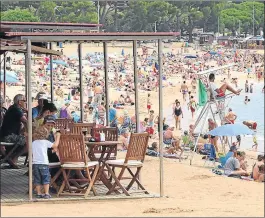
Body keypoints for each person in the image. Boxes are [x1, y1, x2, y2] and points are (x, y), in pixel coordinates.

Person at [32, 122, 61, 199]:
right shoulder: (45, 142)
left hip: (35, 163)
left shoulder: (34, 142)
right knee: (46, 178)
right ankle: (46, 193)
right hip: (44, 163)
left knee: (37, 179)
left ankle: (38, 193)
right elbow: (55, 145)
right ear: (46, 135)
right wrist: (58, 137)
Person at [0, 94, 28, 168]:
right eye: (24, 101)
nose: (26, 102)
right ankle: (14, 158)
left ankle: (11, 157)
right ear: (19, 102)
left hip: (6, 134)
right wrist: (28, 112)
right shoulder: (16, 109)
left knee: (25, 138)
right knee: (29, 141)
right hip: (8, 136)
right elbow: (26, 122)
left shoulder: (12, 108)